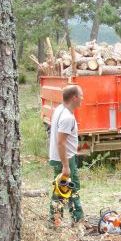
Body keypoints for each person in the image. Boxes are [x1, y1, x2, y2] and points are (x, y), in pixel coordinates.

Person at [49, 85, 84, 226]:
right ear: (74, 98)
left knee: (61, 189)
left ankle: (55, 220)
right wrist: (65, 165)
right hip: (65, 159)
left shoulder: (60, 109)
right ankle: (77, 219)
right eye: (81, 96)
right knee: (72, 188)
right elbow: (61, 142)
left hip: (61, 158)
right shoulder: (67, 117)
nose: (82, 99)